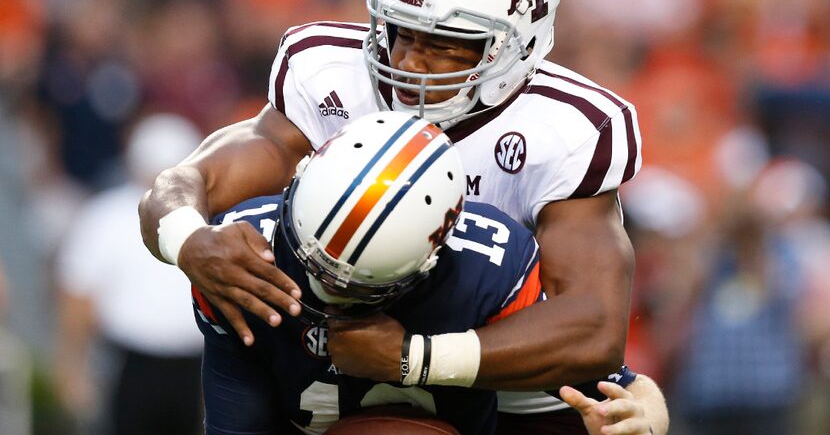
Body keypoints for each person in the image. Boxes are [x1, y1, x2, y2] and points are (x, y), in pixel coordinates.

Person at [139, 0, 642, 432]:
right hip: (317, 330)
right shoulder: (330, 72)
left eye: (445, 43)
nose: (410, 62)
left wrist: (414, 359)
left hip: (490, 361)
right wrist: (188, 239)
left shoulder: (570, 129)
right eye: (402, 31)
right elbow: (187, 182)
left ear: (517, 46)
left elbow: (594, 331)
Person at [195, 111, 662, 435]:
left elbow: (626, 389)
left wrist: (639, 420)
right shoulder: (241, 258)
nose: (325, 288)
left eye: (354, 284)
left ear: (430, 261)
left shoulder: (489, 275)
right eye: (310, 259)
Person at [55, 114, 205, 435]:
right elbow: (78, 297)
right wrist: (73, 368)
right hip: (128, 363)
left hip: (198, 365)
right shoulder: (105, 215)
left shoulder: (211, 219)